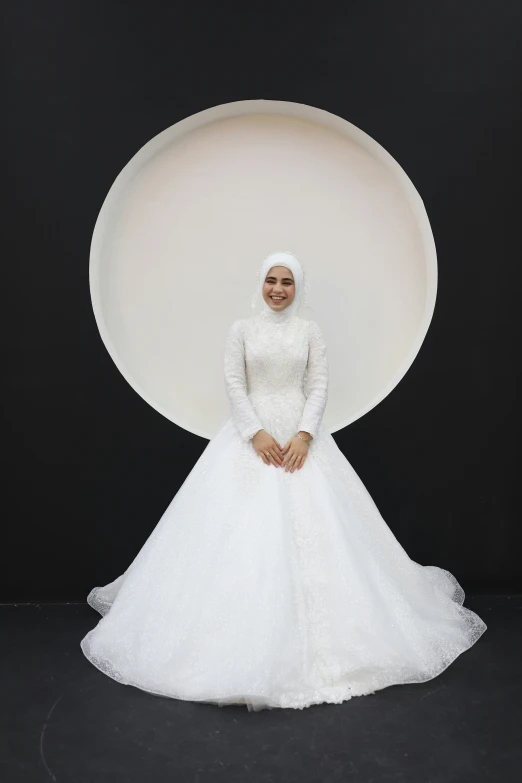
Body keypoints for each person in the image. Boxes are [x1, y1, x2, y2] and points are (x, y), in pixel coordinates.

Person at [81, 251, 487, 712]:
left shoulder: (309, 331)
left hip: (299, 437)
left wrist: (305, 435)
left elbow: (317, 385)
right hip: (250, 437)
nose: (278, 289)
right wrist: (254, 433)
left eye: (287, 282)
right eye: (271, 280)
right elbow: (235, 384)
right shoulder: (241, 330)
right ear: (260, 283)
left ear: (298, 288)